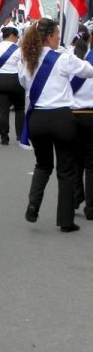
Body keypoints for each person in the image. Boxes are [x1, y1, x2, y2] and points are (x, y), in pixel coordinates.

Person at [19, 18, 93, 232]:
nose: (59, 38)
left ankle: (33, 206)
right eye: (57, 35)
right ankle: (65, 220)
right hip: (61, 117)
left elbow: (23, 83)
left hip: (38, 119)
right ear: (49, 36)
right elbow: (88, 70)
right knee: (66, 169)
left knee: (42, 165)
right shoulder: (63, 58)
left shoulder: (27, 58)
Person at [0, 26, 24, 145]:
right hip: (15, 80)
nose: (18, 39)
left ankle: (4, 137)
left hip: (0, 80)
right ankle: (20, 136)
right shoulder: (19, 50)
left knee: (3, 110)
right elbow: (24, 68)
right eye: (17, 37)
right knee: (19, 109)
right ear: (12, 36)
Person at [71, 25, 93, 218]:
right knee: (91, 164)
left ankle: (76, 197)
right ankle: (91, 207)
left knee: (75, 162)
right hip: (91, 115)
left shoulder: (67, 63)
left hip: (73, 116)